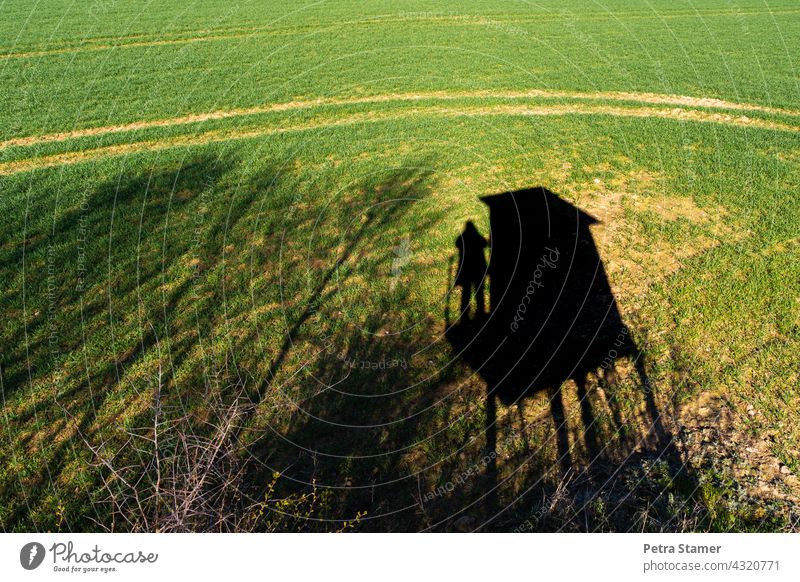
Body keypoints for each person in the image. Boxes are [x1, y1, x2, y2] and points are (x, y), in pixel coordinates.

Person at [454, 221, 488, 320]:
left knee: (466, 294)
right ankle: (480, 312)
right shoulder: (477, 237)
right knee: (479, 293)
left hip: (466, 271)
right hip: (478, 270)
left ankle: (464, 315)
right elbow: (485, 243)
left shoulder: (462, 238)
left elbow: (457, 243)